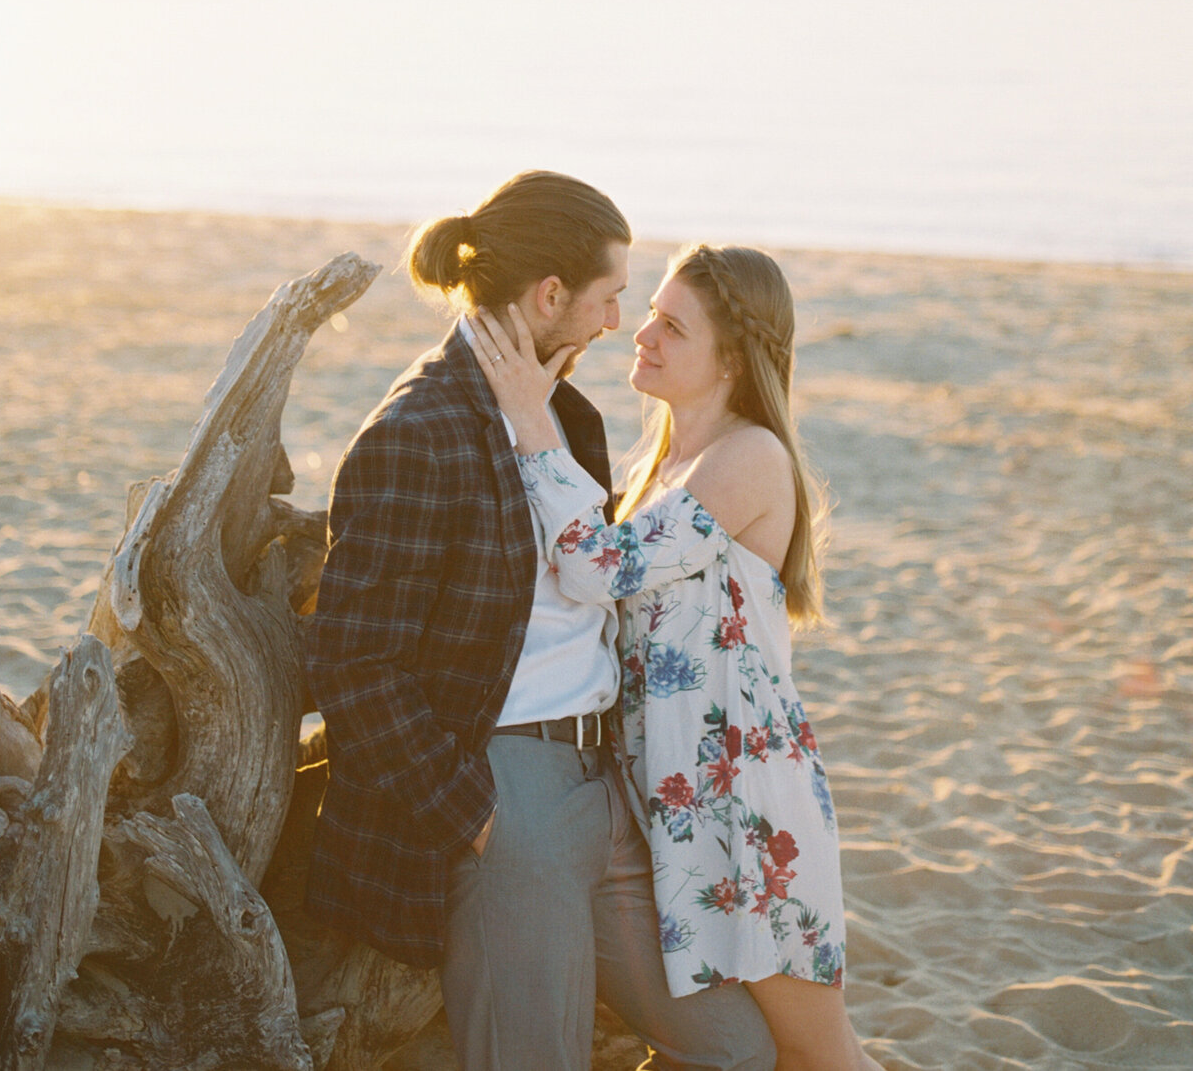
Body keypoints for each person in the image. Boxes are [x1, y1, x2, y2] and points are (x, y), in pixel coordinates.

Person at [305, 174, 776, 1071]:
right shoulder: (420, 428)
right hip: (506, 787)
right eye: (607, 300)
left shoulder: (566, 418)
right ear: (549, 296)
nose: (614, 324)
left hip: (609, 786)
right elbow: (354, 656)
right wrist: (475, 818)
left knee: (734, 1051)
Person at [469, 243, 883, 1071]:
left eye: (671, 326)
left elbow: (596, 568)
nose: (641, 334)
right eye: (650, 313)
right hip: (668, 808)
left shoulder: (749, 458)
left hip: (749, 815)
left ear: (731, 358)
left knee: (820, 1056)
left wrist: (531, 419)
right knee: (714, 1046)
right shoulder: (660, 468)